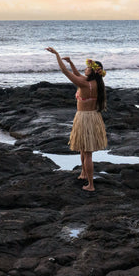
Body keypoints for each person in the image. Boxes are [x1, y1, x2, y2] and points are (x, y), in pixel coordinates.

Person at [45, 47, 107, 192]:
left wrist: (57, 55)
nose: (85, 69)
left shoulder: (84, 84)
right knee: (82, 148)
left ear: (92, 71)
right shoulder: (96, 82)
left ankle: (91, 185)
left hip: (84, 118)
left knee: (87, 153)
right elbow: (77, 74)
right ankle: (83, 173)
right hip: (93, 116)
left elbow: (65, 72)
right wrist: (71, 62)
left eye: (87, 68)